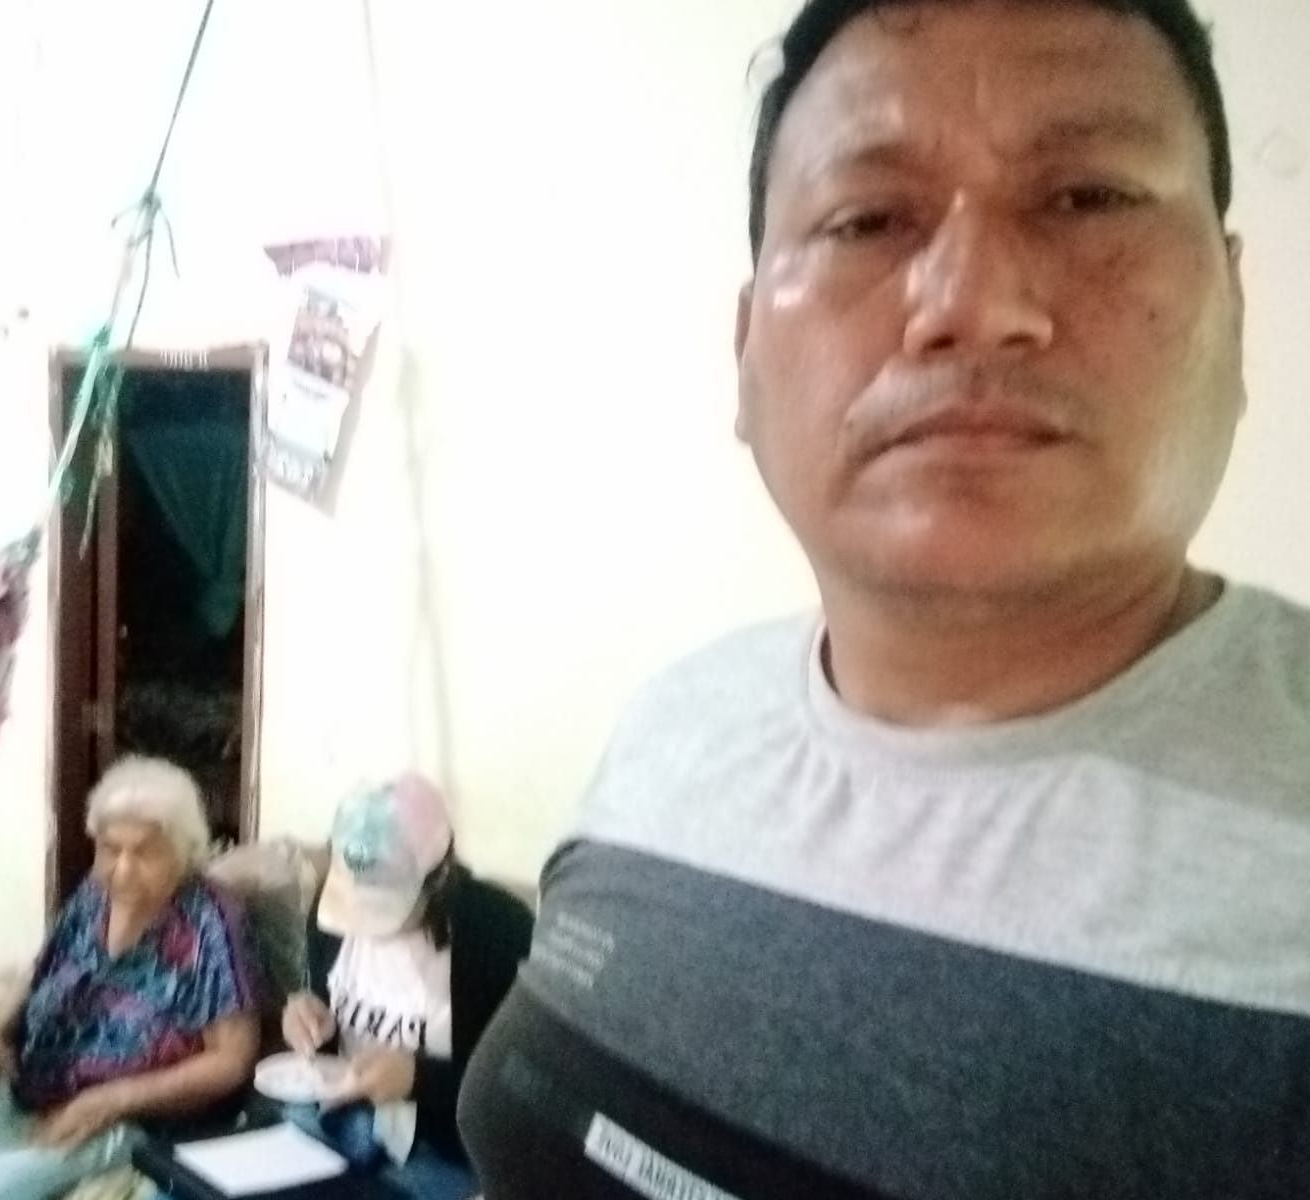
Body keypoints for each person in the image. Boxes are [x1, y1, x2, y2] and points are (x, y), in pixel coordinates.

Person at [459, 2, 1310, 1197]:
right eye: (865, 219)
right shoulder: (671, 730)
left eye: (1087, 198)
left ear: (1235, 304)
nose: (969, 301)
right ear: (745, 351)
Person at [0, 755, 266, 1198]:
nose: (123, 869)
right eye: (111, 849)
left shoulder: (211, 919)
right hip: (31, 1085)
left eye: (144, 852)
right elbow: (42, 975)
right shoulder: (93, 896)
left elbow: (231, 1061)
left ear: (183, 850)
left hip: (130, 1116)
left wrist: (111, 1101)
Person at [281, 774, 533, 1200]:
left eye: (382, 904)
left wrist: (419, 1079)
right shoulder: (330, 916)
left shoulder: (497, 930)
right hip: (338, 1120)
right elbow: (327, 1026)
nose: (365, 923)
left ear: (439, 877)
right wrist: (306, 1017)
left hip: (441, 1150)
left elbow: (519, 1091)